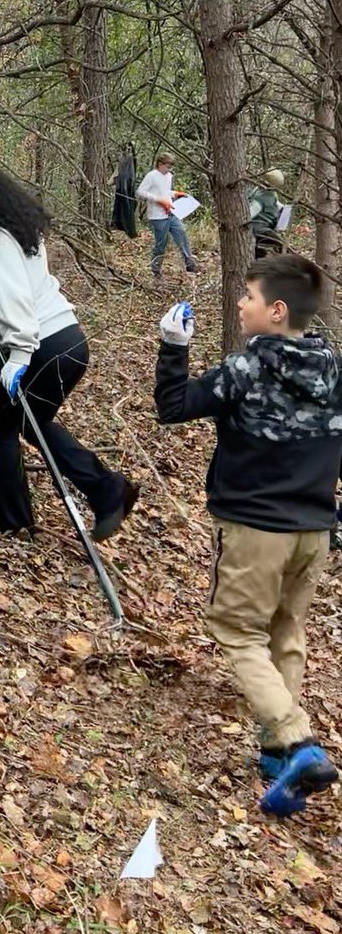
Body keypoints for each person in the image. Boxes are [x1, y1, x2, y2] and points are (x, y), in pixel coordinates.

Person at [155, 255, 341, 817]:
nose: (240, 303)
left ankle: (298, 741)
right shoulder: (335, 371)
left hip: (256, 527)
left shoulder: (249, 368)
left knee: (236, 630)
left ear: (277, 310)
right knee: (285, 631)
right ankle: (276, 752)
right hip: (313, 531)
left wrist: (172, 346)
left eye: (250, 296)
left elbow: (175, 406)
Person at [0, 162, 139, 543]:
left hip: (37, 344)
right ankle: (96, 492)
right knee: (22, 424)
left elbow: (13, 300)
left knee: (6, 426)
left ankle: (89, 494)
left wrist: (19, 355)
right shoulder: (14, 228)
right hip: (62, 339)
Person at [136, 152, 197, 278]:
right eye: (167, 166)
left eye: (170, 167)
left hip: (171, 213)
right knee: (161, 244)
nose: (169, 169)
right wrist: (159, 201)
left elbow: (165, 191)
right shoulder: (151, 176)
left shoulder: (169, 176)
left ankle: (190, 264)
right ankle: (155, 269)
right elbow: (141, 191)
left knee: (182, 234)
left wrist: (175, 194)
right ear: (160, 164)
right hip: (157, 216)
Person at [248, 168, 284, 259]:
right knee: (279, 244)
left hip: (263, 228)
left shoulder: (263, 192)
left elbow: (275, 203)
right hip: (259, 229)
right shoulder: (260, 199)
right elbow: (250, 213)